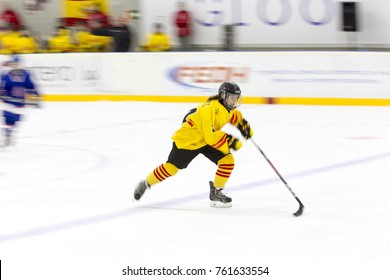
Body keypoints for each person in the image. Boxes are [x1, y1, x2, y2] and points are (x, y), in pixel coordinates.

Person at [133, 82, 254, 207]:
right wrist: (230, 140)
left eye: (236, 98)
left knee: (227, 160)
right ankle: (146, 183)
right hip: (189, 141)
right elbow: (211, 136)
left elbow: (232, 116)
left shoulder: (225, 108)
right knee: (171, 168)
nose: (234, 101)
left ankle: (216, 192)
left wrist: (243, 125)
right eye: (232, 98)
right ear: (223, 96)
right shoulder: (207, 110)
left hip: (205, 139)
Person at [0, 55, 40, 147]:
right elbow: (2, 87)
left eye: (17, 63)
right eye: (13, 63)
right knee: (7, 119)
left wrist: (36, 98)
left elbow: (31, 86)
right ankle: (7, 135)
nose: (15, 65)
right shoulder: (6, 74)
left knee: (15, 121)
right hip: (8, 102)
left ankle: (9, 133)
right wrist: (2, 95)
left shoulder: (26, 74)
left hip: (19, 102)